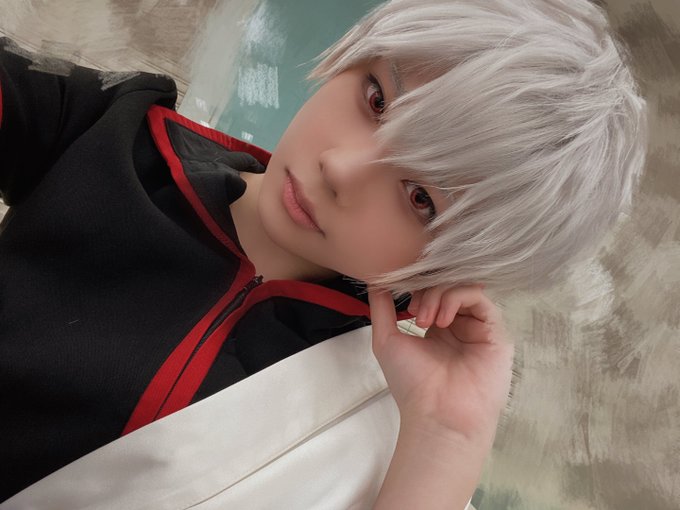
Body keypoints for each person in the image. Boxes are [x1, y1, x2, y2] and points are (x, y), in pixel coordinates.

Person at [0, 0, 646, 507]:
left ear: (463, 262)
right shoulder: (120, 129)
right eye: (377, 99)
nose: (341, 168)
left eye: (421, 197)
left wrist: (448, 436)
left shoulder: (383, 415)